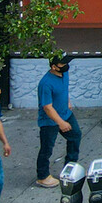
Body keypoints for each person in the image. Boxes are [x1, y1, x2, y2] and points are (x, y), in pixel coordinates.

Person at [35, 55, 80, 187]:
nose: (66, 66)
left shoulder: (64, 74)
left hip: (66, 113)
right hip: (50, 121)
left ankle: (70, 167)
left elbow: (63, 90)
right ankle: (42, 176)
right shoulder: (46, 83)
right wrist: (60, 122)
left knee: (75, 136)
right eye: (62, 64)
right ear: (53, 67)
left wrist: (68, 101)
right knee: (47, 148)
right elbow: (47, 108)